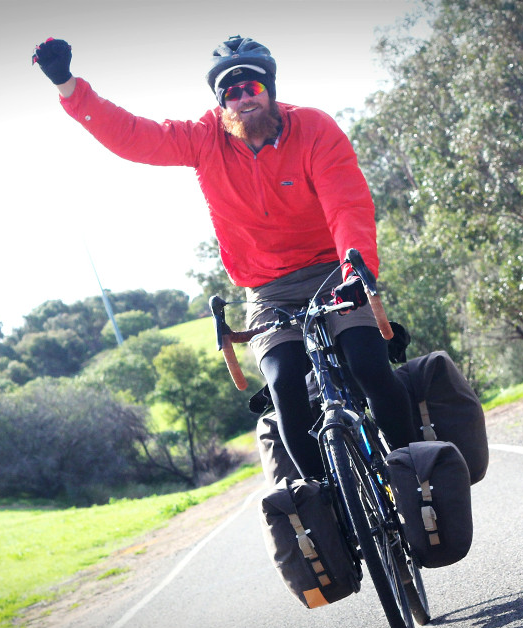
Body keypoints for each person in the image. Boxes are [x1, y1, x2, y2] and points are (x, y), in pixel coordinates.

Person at [32, 35, 417, 479]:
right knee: (285, 387)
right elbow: (133, 136)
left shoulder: (313, 127)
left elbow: (346, 206)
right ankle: (327, 504)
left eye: (251, 88)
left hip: (334, 270)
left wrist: (355, 271)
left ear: (269, 89)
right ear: (220, 103)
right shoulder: (203, 139)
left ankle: (414, 477)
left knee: (368, 364)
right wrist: (66, 84)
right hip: (269, 288)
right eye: (230, 93)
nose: (242, 99)